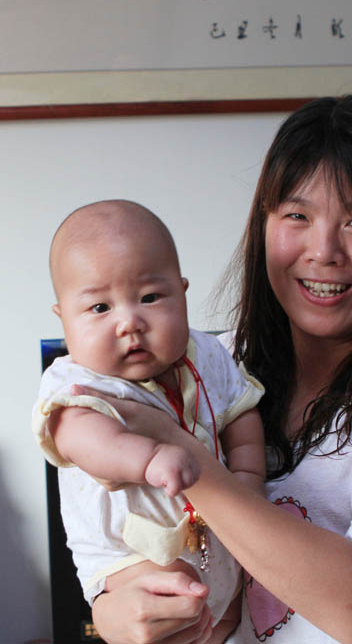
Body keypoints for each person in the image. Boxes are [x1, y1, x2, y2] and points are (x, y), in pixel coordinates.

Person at [70, 96, 352, 644]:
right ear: (264, 223)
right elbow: (104, 510)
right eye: (297, 216)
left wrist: (182, 453)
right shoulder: (217, 364)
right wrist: (108, 608)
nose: (324, 251)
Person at [32, 200, 266, 642]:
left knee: (229, 615)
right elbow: (80, 436)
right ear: (64, 318)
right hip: (134, 551)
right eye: (100, 307)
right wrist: (148, 457)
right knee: (175, 600)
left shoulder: (210, 354)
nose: (129, 323)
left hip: (222, 539)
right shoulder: (76, 381)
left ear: (182, 292)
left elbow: (241, 411)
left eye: (150, 298)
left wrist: (249, 478)